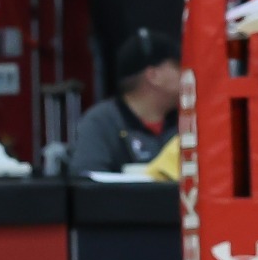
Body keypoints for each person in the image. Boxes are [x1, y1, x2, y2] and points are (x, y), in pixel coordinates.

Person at [67, 29, 182, 175]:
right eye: (178, 66)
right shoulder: (101, 122)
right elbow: (87, 185)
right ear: (154, 76)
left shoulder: (189, 122)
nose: (188, 72)